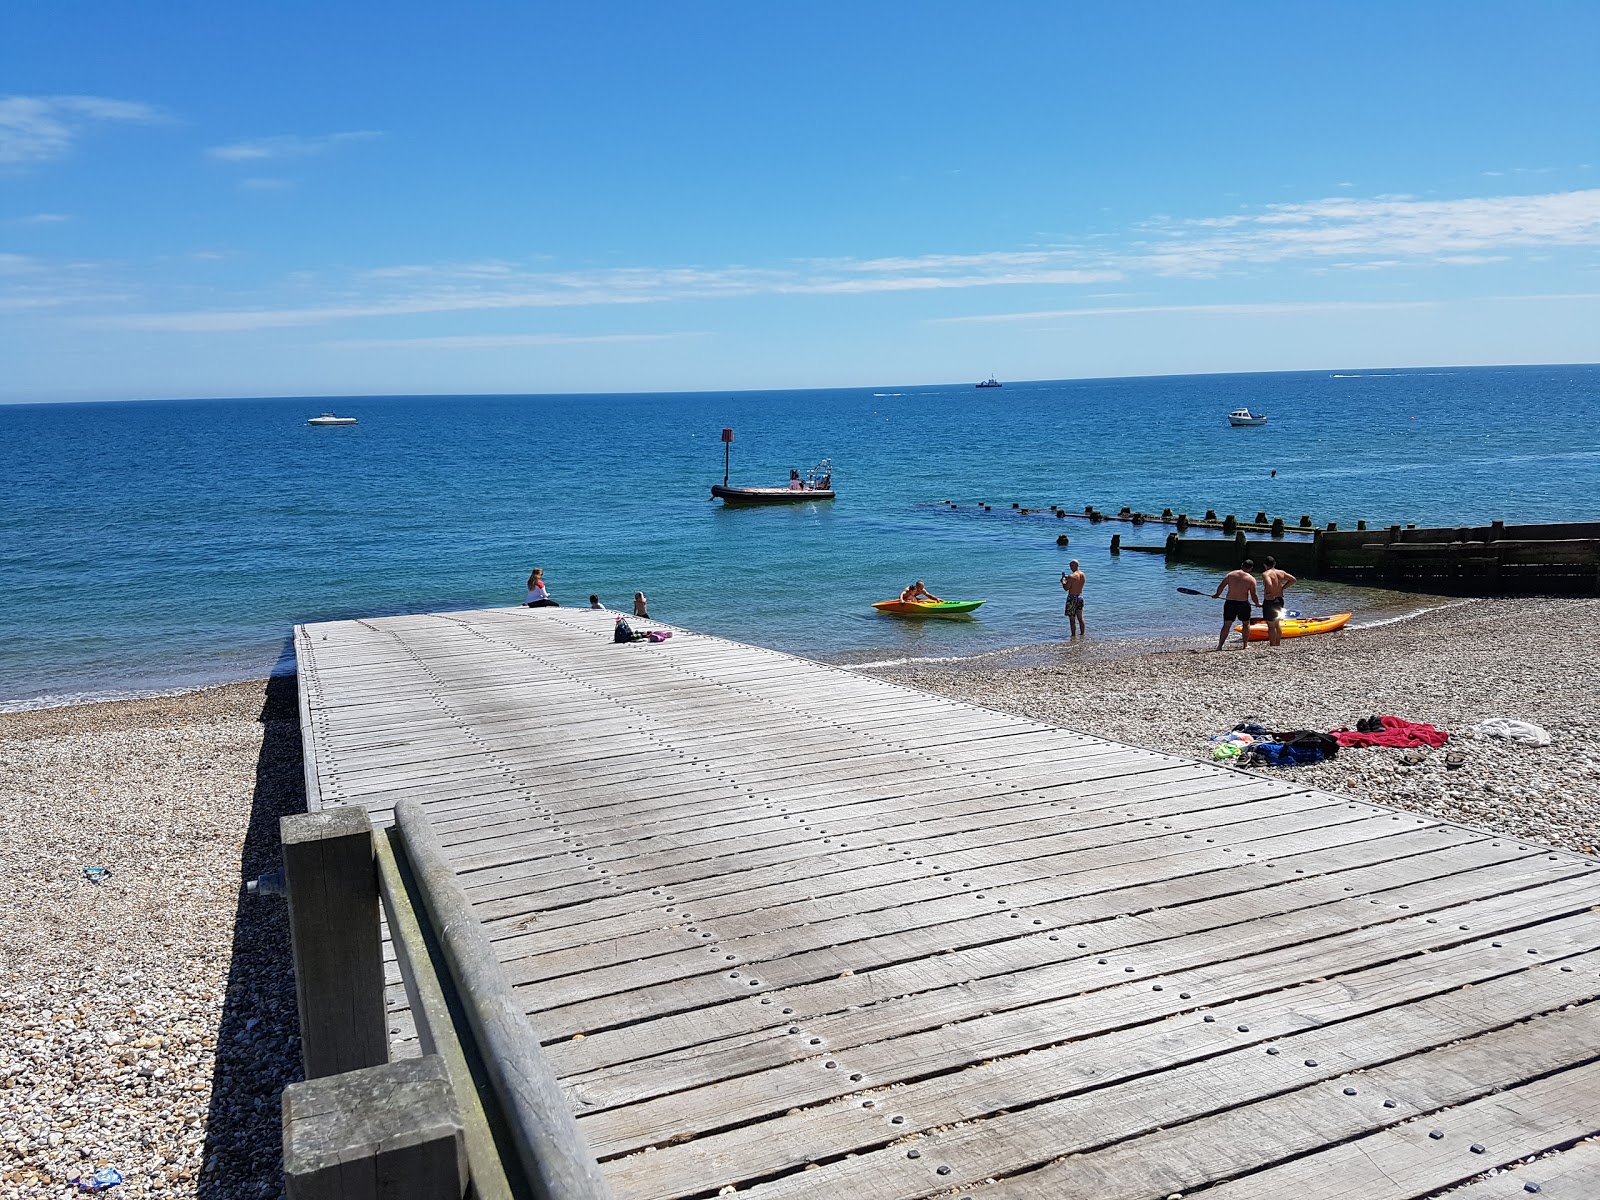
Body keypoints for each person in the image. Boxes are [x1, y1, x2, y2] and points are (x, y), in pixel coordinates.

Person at [1211, 559, 1260, 651]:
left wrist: (1217, 595)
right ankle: (1245, 645)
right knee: (1246, 624)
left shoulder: (1231, 575)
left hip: (1230, 602)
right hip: (1243, 604)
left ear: (1242, 565)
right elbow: (1254, 594)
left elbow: (1221, 586)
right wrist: (1257, 603)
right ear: (1251, 568)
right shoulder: (1251, 579)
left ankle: (1220, 646)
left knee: (1226, 625)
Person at [1260, 555, 1298, 647]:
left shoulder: (1266, 574)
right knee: (1277, 623)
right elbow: (1293, 580)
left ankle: (1272, 644)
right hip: (1279, 599)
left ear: (1264, 565)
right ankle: (1277, 643)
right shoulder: (1281, 572)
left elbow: (1269, 584)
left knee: (1271, 625)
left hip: (1270, 600)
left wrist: (1269, 593)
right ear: (1274, 564)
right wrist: (1282, 588)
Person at [1061, 560, 1086, 638]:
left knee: (1072, 619)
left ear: (1073, 566)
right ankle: (1082, 634)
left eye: (1071, 566)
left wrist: (1063, 582)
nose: (1070, 568)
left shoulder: (1071, 576)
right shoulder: (1083, 574)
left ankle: (1073, 636)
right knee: (1080, 617)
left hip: (1072, 598)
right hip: (1080, 597)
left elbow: (1066, 588)